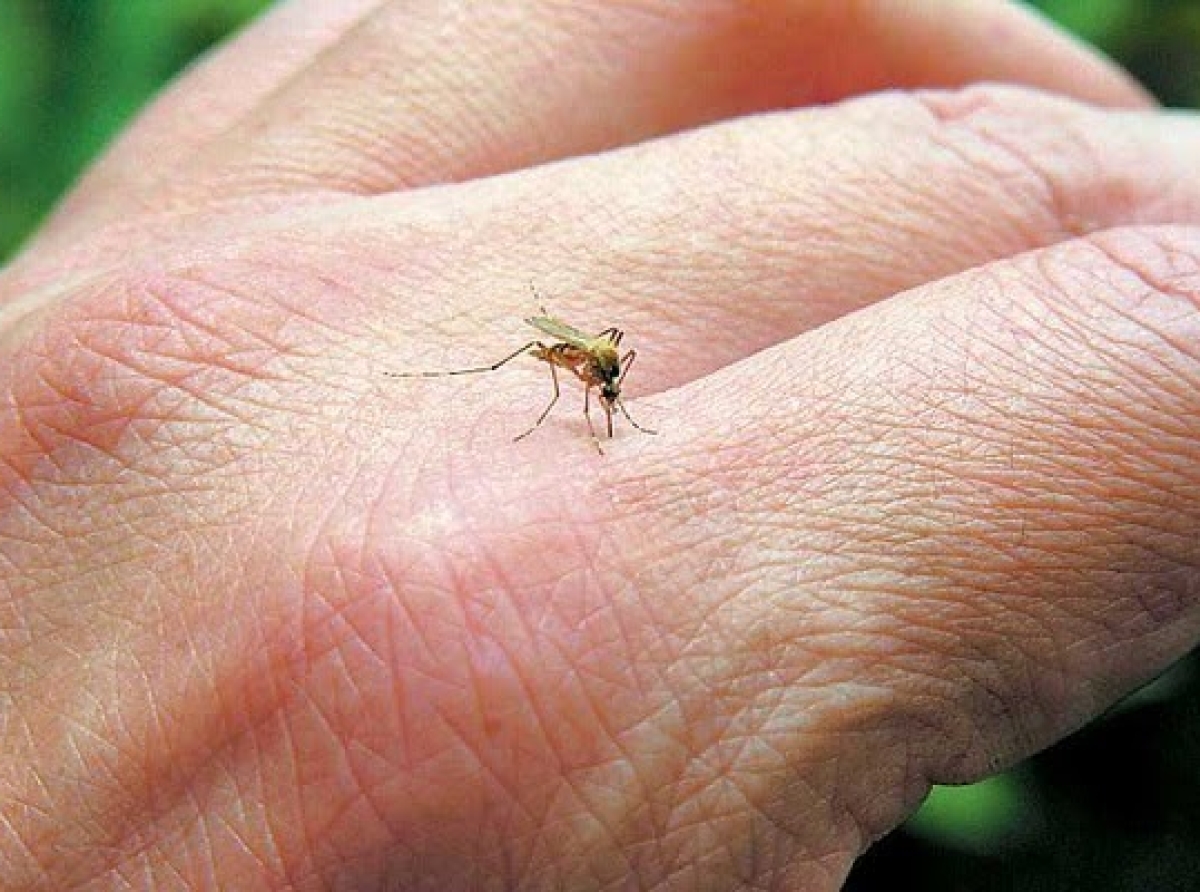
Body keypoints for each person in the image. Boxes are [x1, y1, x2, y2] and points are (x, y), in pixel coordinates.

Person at [2, 1, 1198, 889]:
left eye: (607, 376)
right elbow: (569, 358)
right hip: (534, 347)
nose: (604, 381)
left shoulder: (607, 361)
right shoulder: (570, 360)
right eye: (605, 375)